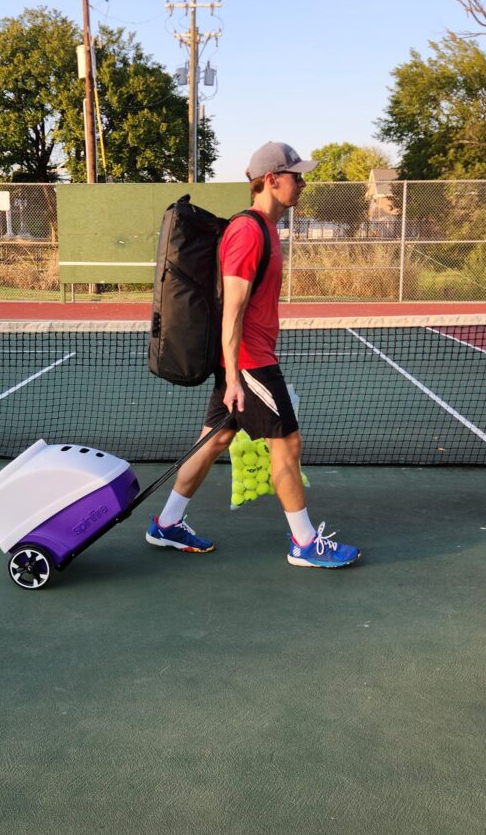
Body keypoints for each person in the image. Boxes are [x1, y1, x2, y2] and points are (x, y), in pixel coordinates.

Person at [146, 142, 362, 569]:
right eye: (296, 175)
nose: (302, 182)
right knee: (288, 444)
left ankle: (166, 524)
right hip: (250, 361)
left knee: (215, 440)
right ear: (271, 179)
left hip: (245, 360)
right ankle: (303, 542)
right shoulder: (248, 231)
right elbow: (234, 309)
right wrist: (234, 378)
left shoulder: (266, 228)